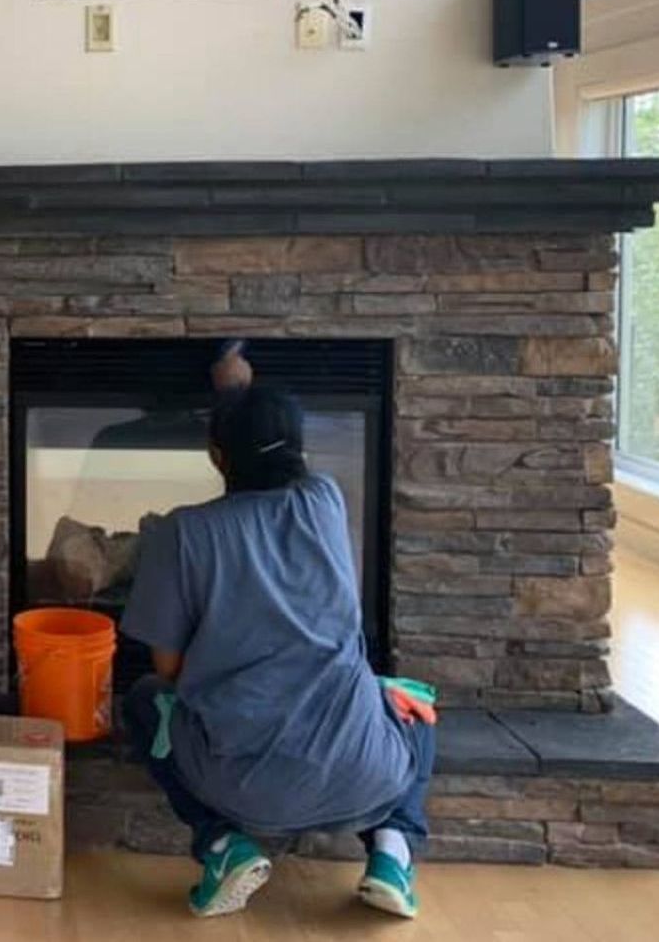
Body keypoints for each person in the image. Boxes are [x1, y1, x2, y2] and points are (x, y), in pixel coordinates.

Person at [119, 354, 434, 921]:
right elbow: (282, 456)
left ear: (215, 456)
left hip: (239, 789)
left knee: (143, 700)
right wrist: (243, 390)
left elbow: (167, 669)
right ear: (298, 451)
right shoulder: (326, 502)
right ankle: (392, 849)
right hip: (364, 779)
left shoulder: (182, 532)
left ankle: (222, 845)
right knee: (417, 704)